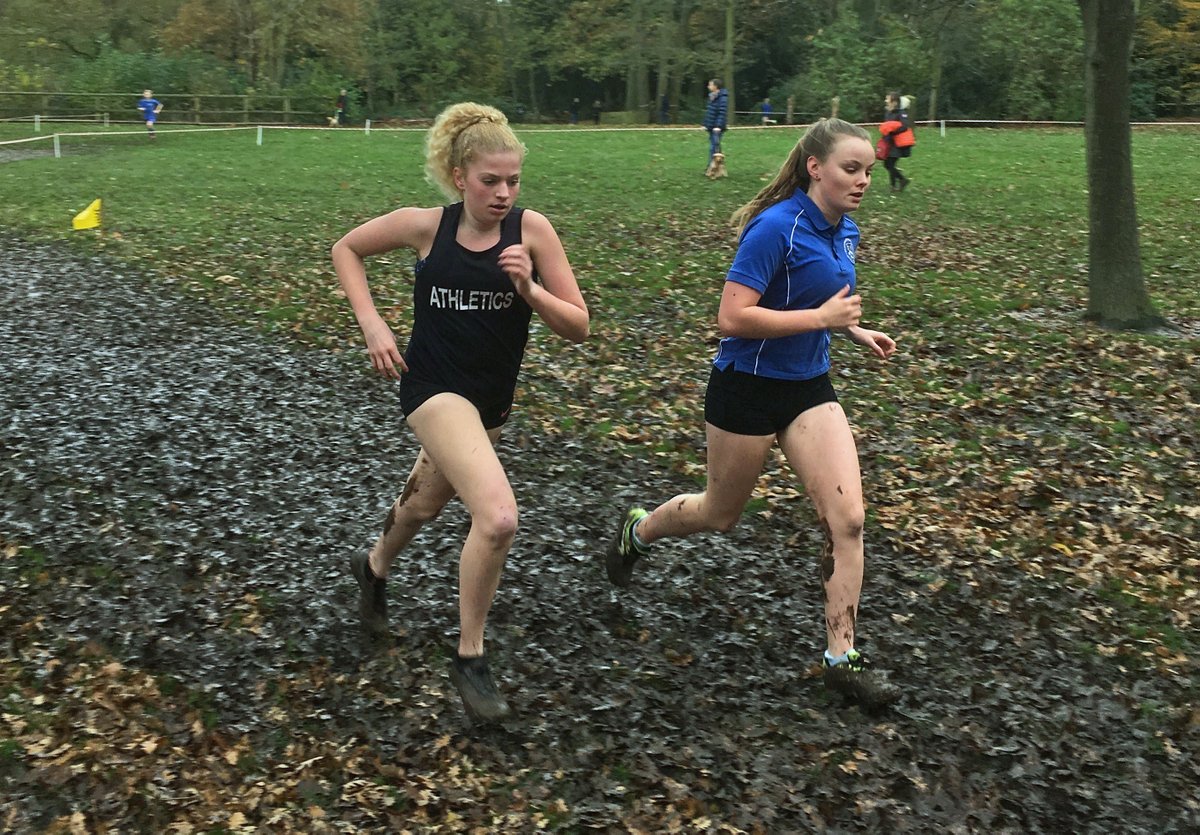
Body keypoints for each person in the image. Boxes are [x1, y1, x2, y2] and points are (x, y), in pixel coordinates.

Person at [604, 117, 901, 710]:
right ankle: (639, 531)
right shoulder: (775, 228)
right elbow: (732, 318)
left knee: (848, 519)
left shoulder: (846, 231)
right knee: (719, 514)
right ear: (815, 168)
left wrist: (854, 331)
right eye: (851, 168)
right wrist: (823, 321)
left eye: (869, 169)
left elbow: (816, 302)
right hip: (746, 389)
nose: (863, 179)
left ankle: (842, 657)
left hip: (808, 386)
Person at [332, 102, 590, 722]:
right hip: (431, 389)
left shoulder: (534, 233)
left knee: (424, 502)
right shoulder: (427, 228)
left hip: (489, 403)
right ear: (458, 176)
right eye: (489, 181)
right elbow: (346, 249)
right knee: (498, 517)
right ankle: (470, 658)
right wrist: (373, 325)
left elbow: (579, 326)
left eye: (513, 181)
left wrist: (529, 290)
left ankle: (371, 569)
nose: (503, 194)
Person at [879, 91, 915, 193]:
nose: (885, 100)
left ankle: (900, 181)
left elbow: (904, 126)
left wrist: (892, 130)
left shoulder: (901, 113)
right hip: (888, 142)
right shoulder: (888, 113)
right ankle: (897, 184)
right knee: (889, 164)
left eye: (887, 98)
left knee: (889, 164)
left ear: (894, 102)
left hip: (897, 144)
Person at [702, 78, 728, 171]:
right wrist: (705, 124)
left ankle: (711, 167)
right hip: (711, 126)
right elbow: (709, 112)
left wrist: (718, 126)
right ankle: (719, 167)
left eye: (710, 84)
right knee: (716, 147)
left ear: (715, 86)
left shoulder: (722, 98)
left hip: (717, 127)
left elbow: (722, 112)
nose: (708, 86)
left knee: (713, 147)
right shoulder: (712, 96)